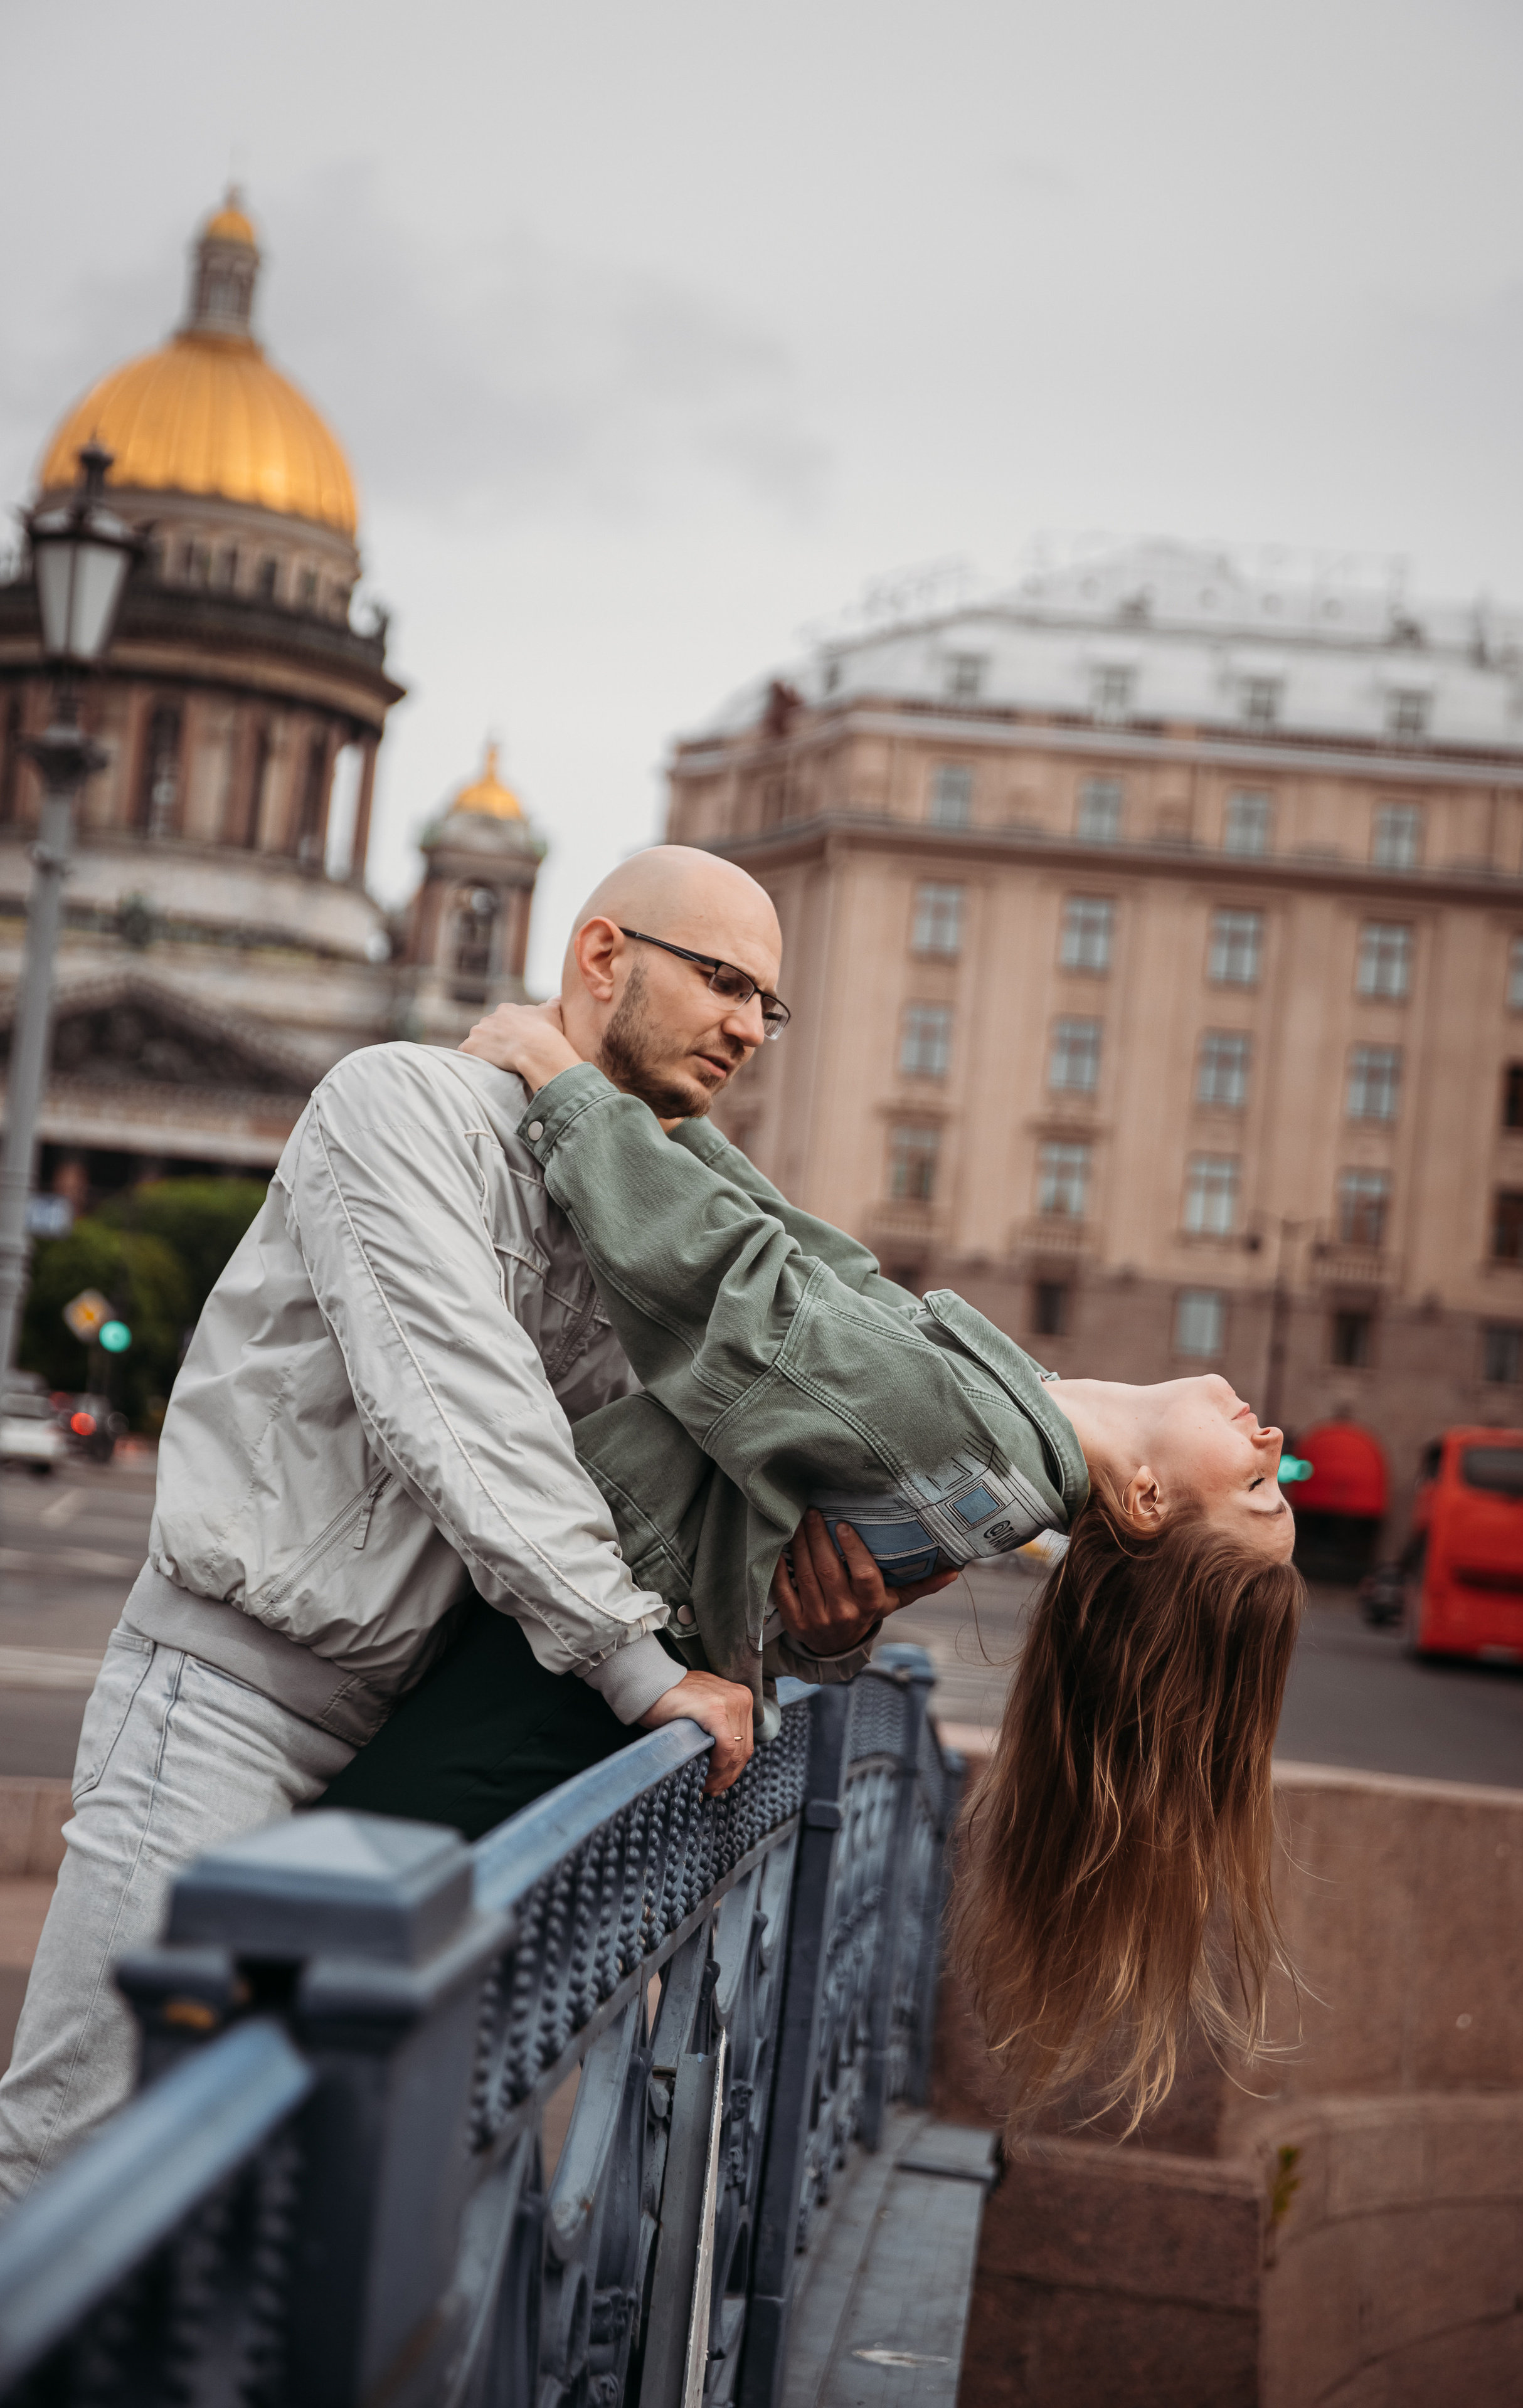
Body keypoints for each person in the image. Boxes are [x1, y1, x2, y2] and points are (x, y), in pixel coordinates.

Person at [0, 848, 948, 2207]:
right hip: (225, 1710)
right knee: (74, 2156)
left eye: (768, 1004)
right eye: (723, 981)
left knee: (279, 2183)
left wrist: (823, 1629)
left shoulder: (652, 1226)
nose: (749, 1026)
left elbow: (704, 1503)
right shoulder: (399, 1105)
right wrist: (635, 1665)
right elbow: (462, 1411)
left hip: (419, 1747)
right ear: (603, 957)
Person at [330, 990, 1306, 2130]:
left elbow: (736, 1297)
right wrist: (662, 1117)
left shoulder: (976, 1443)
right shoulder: (1003, 1418)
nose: (1273, 1444)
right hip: (566, 1664)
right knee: (351, 2018)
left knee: (301, 1971)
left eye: (1257, 1491)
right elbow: (809, 1260)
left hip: (542, 1690)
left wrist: (559, 1080)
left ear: (1145, 1502)